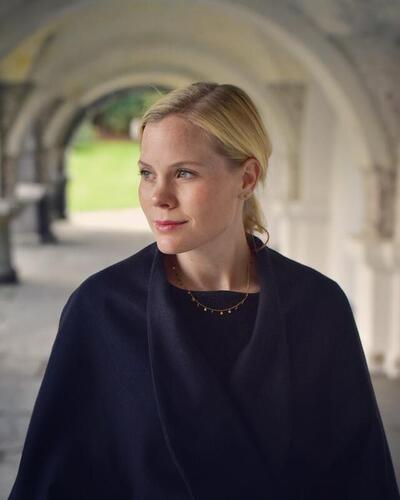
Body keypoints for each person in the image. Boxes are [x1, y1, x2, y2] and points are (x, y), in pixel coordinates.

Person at [8, 82, 399, 500]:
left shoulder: (319, 307)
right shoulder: (101, 309)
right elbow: (51, 485)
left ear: (246, 178)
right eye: (147, 173)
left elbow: (360, 479)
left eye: (184, 173)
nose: (158, 197)